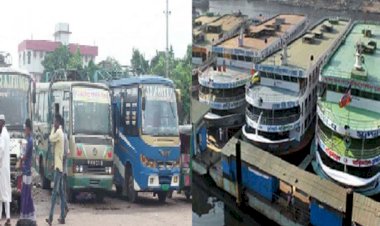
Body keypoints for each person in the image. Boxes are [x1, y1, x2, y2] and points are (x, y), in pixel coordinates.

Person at [46, 114, 66, 225]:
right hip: (59, 166)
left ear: (58, 122)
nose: (53, 123)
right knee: (61, 193)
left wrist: (53, 128)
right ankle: (62, 216)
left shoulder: (58, 132)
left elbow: (50, 138)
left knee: (54, 194)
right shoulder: (61, 133)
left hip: (58, 168)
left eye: (54, 122)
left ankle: (50, 218)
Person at [18, 119, 36, 224]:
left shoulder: (30, 141)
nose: (24, 130)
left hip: (27, 170)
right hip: (26, 169)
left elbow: (25, 156)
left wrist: (21, 159)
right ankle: (27, 213)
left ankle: (27, 213)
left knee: (26, 193)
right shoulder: (28, 139)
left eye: (25, 128)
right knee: (25, 192)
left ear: (28, 129)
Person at [0, 114, 11, 226]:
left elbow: (1, 150)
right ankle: (6, 217)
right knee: (4, 192)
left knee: (3, 193)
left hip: (2, 167)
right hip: (5, 168)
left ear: (1, 122)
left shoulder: (2, 135)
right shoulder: (6, 133)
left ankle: (7, 218)